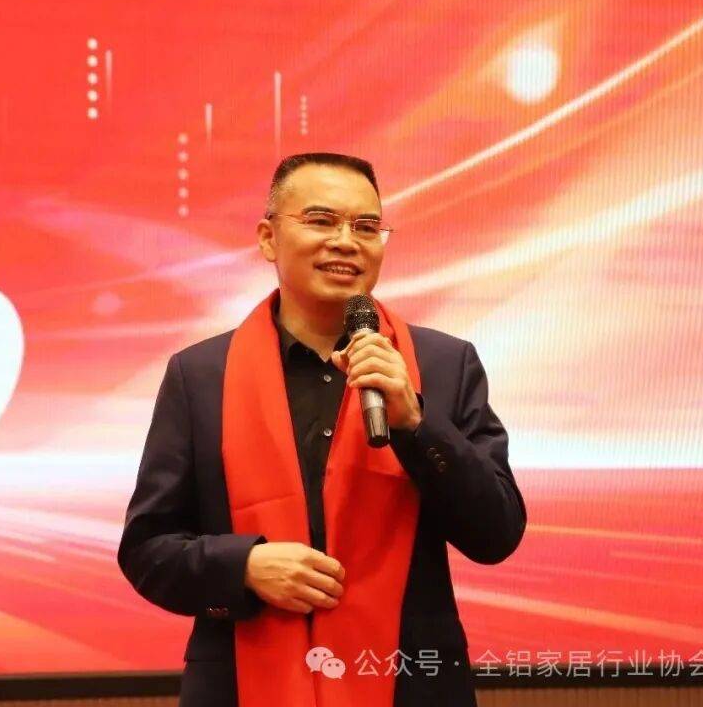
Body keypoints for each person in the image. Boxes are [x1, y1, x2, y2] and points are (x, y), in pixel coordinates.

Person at [118, 152, 526, 706]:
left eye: (366, 227)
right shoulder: (200, 375)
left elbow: (497, 534)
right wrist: (244, 567)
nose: (345, 242)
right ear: (268, 239)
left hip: (407, 684)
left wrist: (417, 422)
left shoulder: (444, 365)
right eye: (320, 220)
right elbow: (147, 550)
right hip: (241, 684)